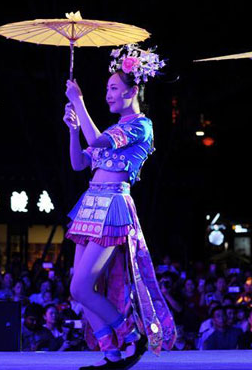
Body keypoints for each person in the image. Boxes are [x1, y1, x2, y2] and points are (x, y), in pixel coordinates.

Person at [64, 43, 176, 370]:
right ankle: (111, 353)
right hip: (89, 206)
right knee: (78, 290)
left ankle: (130, 335)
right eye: (107, 89)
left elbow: (97, 141)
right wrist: (73, 129)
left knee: (83, 286)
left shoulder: (141, 126)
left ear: (133, 91)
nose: (108, 94)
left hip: (112, 205)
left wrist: (80, 103)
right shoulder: (114, 128)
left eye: (114, 88)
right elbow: (78, 163)